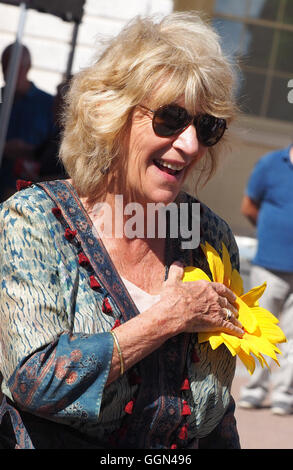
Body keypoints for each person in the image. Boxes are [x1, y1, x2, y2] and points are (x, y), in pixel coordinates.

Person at [0, 12, 244, 449]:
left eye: (205, 126)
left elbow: (217, 414)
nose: (189, 144)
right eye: (170, 119)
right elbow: (34, 380)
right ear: (112, 116)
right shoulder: (34, 221)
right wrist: (167, 318)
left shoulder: (207, 237)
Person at [239, 144, 293, 415]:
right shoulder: (271, 163)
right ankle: (255, 390)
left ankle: (285, 394)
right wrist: (272, 233)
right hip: (269, 266)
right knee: (260, 333)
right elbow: (249, 206)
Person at [0, 43, 54, 201]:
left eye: (16, 67)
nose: (9, 73)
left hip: (30, 194)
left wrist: (31, 151)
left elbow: (57, 148)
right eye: (5, 67)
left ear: (28, 67)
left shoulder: (47, 104)